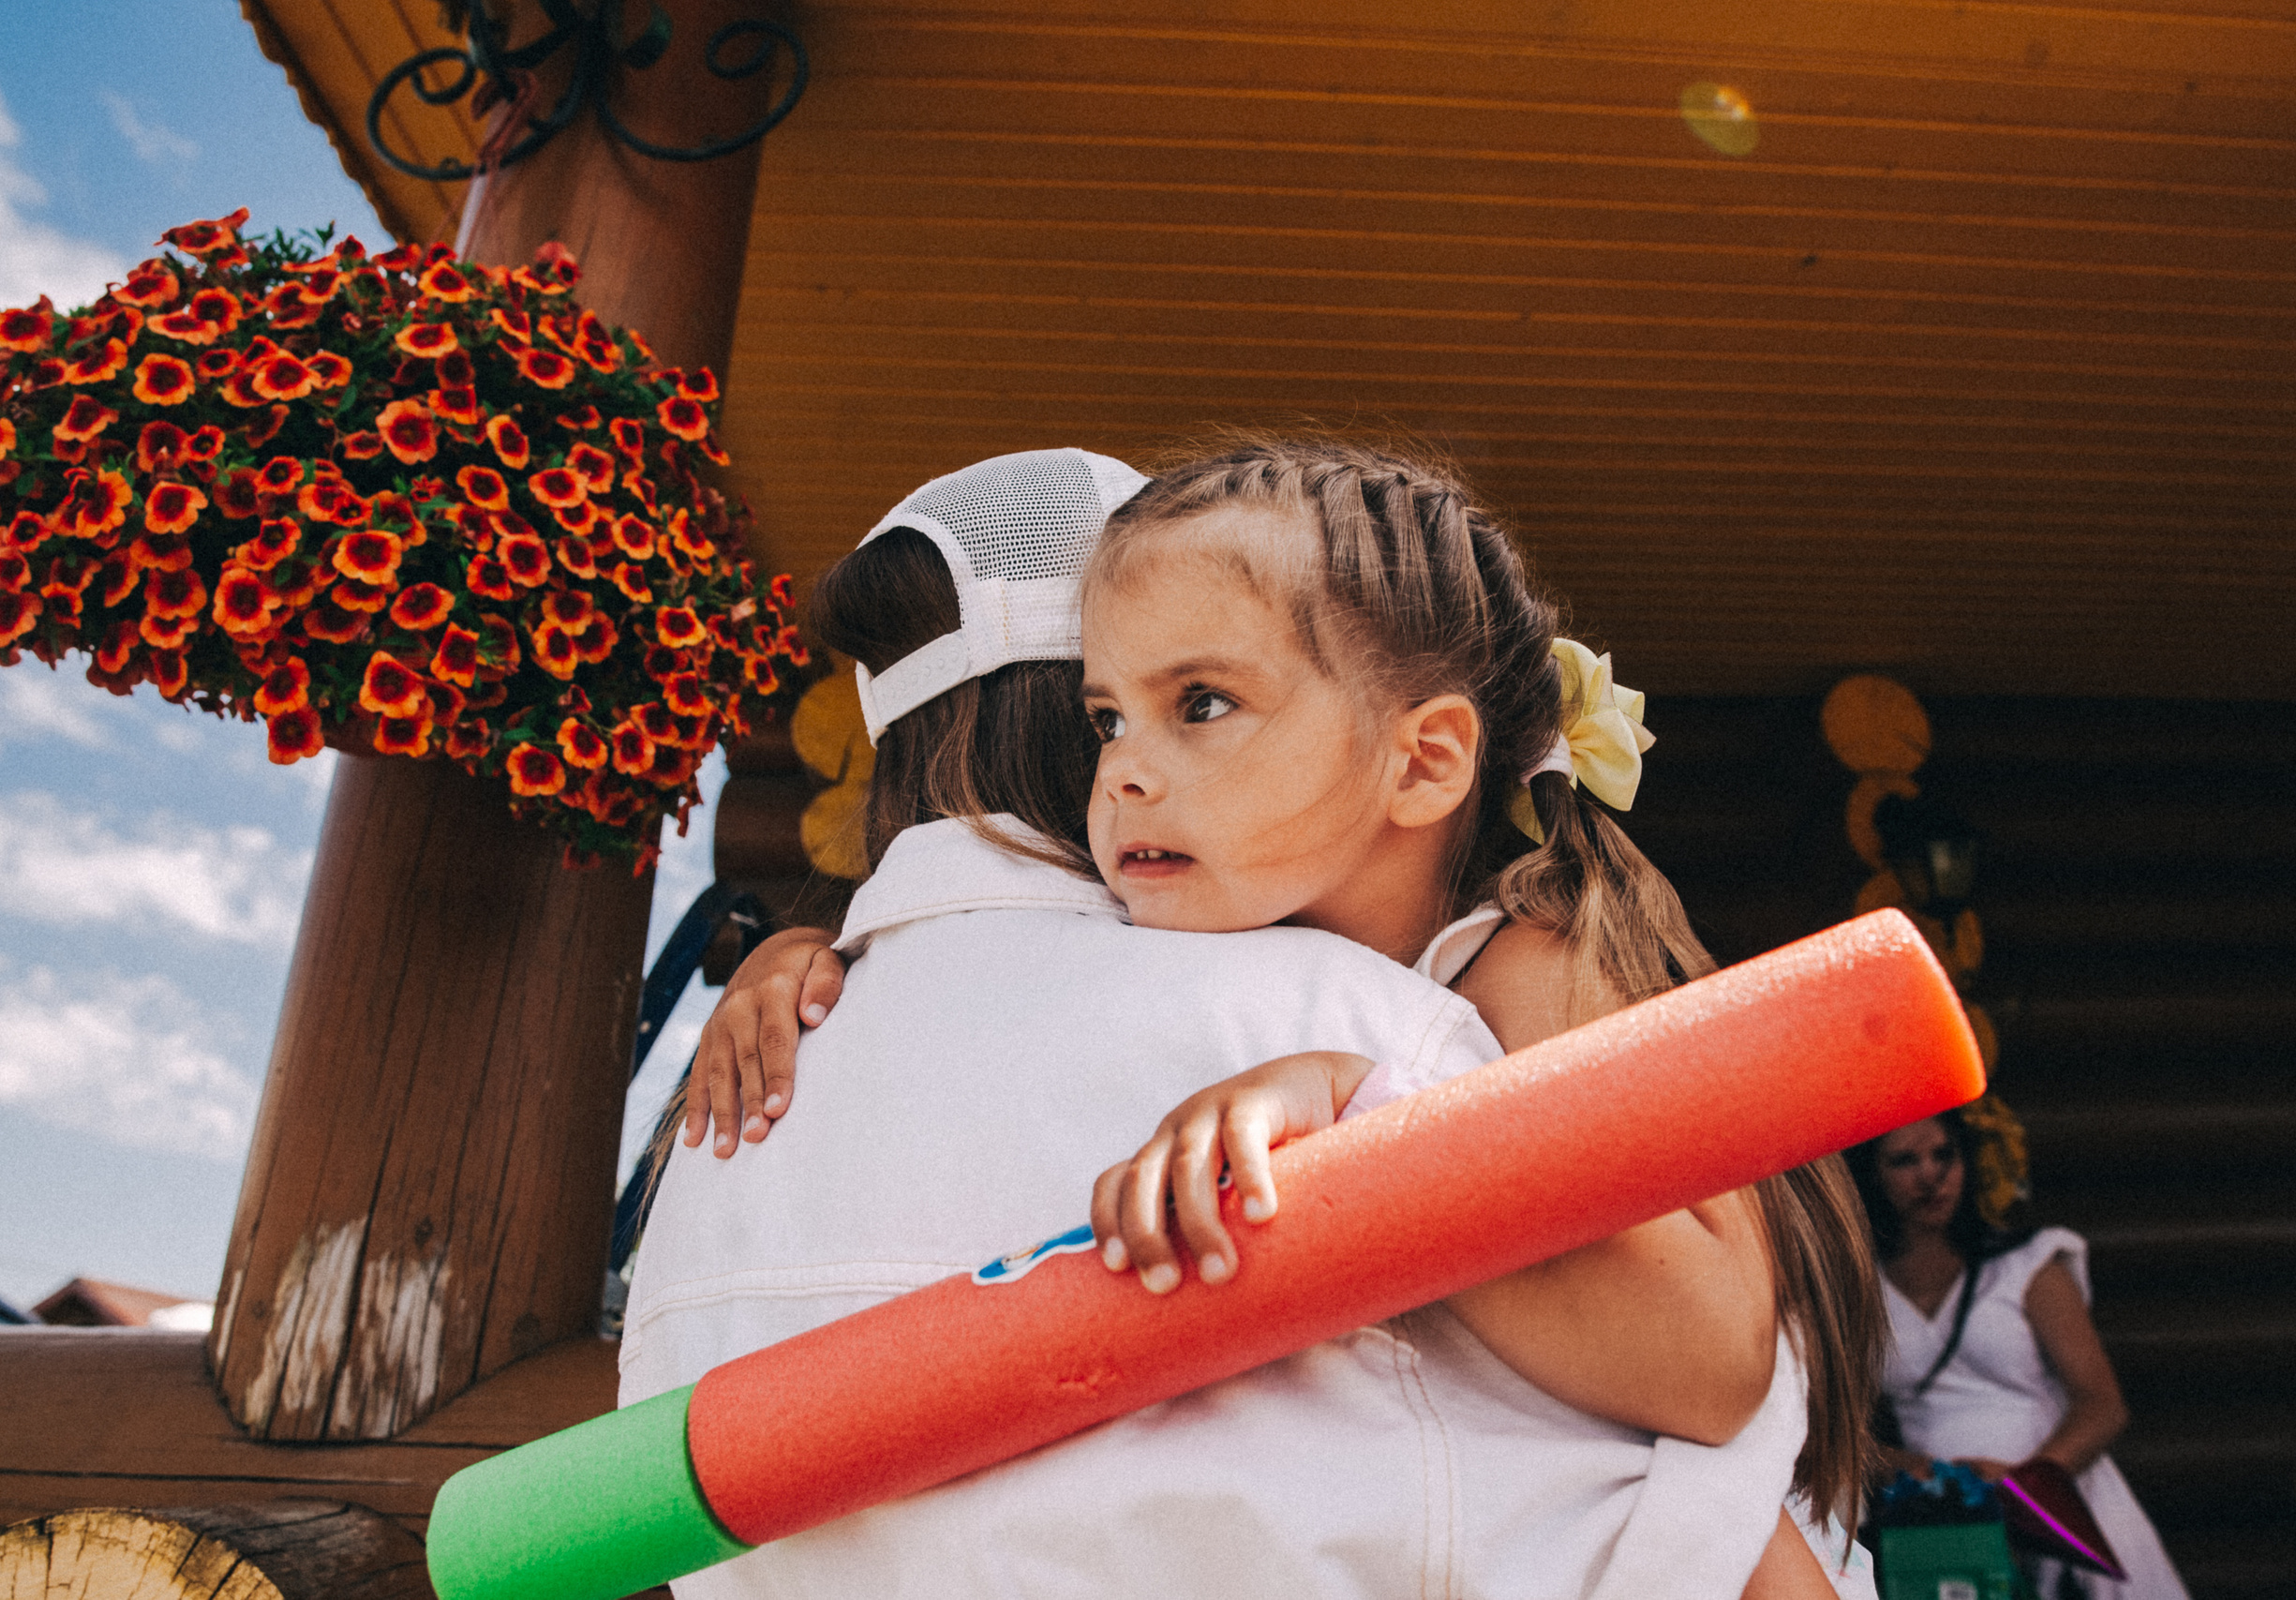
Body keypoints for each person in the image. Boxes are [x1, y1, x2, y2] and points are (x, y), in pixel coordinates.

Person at [644, 439, 1873, 1595]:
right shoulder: (1309, 958)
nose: (1121, 771)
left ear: (1423, 762)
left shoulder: (1522, 960)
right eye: (1103, 720)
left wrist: (1357, 1104)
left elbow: (1714, 1377)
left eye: (1202, 703)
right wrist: (816, 953)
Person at [1846, 1110, 2191, 1600]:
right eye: (1905, 1160)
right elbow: (1838, 1427)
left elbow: (2102, 1404)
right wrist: (1908, 1468)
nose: (1930, 1176)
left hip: (2060, 1500)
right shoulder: (1861, 1290)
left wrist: (2023, 1490)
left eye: (1944, 1155)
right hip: (1941, 1515)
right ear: (1872, 1174)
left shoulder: (2026, 1262)